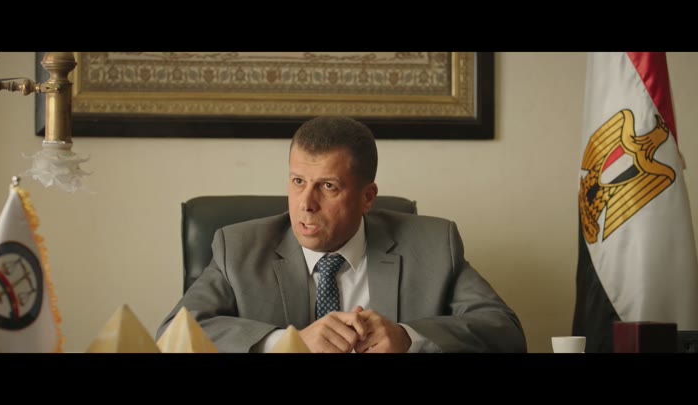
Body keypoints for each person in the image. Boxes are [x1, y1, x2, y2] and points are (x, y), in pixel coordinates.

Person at [156, 116, 527, 353]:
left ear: (367, 197)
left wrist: (407, 337)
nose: (306, 203)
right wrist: (288, 343)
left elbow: (505, 332)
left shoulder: (432, 244)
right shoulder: (239, 248)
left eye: (328, 186)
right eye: (298, 181)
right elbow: (172, 334)